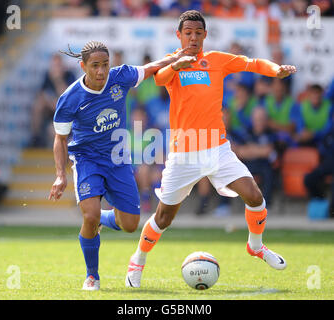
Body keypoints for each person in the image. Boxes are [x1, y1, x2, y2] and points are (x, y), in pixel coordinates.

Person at [124, 10, 296, 288]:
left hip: (217, 149)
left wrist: (275, 69)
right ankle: (138, 260)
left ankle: (256, 246)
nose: (193, 37)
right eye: (187, 33)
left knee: (254, 196)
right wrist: (177, 65)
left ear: (205, 35)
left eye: (198, 33)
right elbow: (159, 78)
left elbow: (251, 63)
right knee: (163, 217)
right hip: (184, 153)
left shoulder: (216, 60)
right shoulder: (173, 61)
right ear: (179, 35)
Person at [48, 40, 196, 291]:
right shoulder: (70, 98)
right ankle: (92, 275)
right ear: (83, 66)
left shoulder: (121, 76)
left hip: (117, 158)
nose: (101, 71)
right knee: (90, 215)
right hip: (87, 159)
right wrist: (60, 175)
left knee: (129, 225)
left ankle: (102, 221)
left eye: (105, 65)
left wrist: (176, 60)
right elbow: (60, 139)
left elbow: (151, 67)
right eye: (94, 66)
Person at [30, 53, 76, 147]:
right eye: (54, 65)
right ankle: (36, 137)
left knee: (53, 131)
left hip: (67, 114)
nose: (56, 68)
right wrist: (51, 102)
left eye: (58, 65)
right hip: (53, 111)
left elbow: (66, 98)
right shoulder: (48, 76)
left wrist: (58, 80)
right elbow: (42, 94)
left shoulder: (69, 75)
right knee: (38, 105)